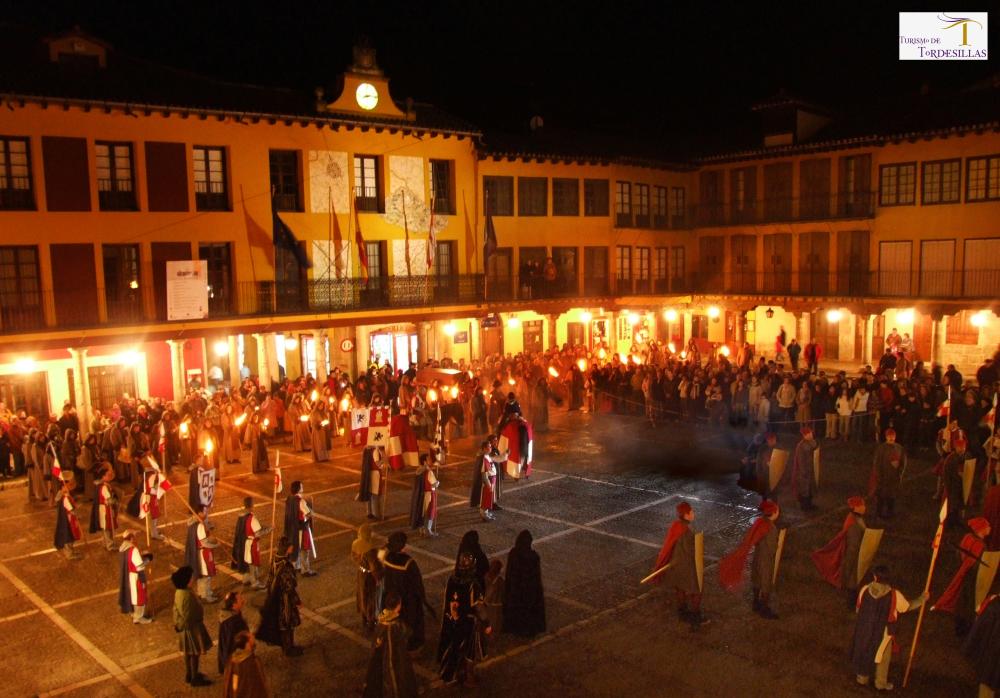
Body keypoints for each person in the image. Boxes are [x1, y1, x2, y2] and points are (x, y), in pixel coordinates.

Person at [850, 565, 927, 692]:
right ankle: (880, 683)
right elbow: (906, 607)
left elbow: (858, 608)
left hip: (865, 628)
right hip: (884, 632)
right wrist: (921, 599)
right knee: (883, 657)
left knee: (864, 650)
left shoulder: (864, 590)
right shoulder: (894, 595)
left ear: (875, 577)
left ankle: (862, 678)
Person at [719, 500, 782, 619]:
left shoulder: (760, 522)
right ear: (773, 513)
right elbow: (773, 547)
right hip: (766, 558)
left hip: (758, 556)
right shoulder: (771, 527)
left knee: (757, 579)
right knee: (766, 583)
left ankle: (755, 602)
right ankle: (764, 608)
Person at [650, 501, 707, 628]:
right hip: (686, 566)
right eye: (691, 512)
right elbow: (690, 551)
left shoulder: (676, 525)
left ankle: (682, 613)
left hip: (675, 565)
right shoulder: (687, 531)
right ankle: (695, 619)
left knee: (679, 588)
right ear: (686, 515)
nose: (693, 513)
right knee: (697, 590)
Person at [437, 552, 491, 687]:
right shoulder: (473, 585)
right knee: (469, 651)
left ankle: (450, 673)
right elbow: (479, 607)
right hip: (467, 623)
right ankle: (468, 678)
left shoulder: (451, 579)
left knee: (453, 646)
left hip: (451, 621)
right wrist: (486, 623)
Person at [933, 517, 992, 636]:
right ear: (981, 529)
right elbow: (976, 564)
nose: (990, 528)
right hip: (971, 578)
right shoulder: (980, 545)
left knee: (961, 601)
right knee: (967, 604)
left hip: (962, 573)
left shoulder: (968, 537)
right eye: (988, 526)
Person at [811, 496, 868, 606]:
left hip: (855, 557)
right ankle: (851, 605)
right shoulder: (855, 525)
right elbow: (853, 548)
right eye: (862, 505)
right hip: (854, 559)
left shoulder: (853, 518)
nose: (865, 507)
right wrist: (847, 568)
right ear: (856, 507)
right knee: (852, 584)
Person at [362, 590, 419, 698]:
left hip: (379, 660)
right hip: (396, 661)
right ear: (398, 605)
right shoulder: (395, 625)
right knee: (397, 681)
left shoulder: (381, 621)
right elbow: (406, 634)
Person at [256, 536, 304, 656]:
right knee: (287, 623)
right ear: (287, 548)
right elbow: (289, 587)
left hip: (276, 596)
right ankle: (289, 648)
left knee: (284, 623)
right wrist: (296, 600)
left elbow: (270, 578)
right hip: (284, 600)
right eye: (290, 546)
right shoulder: (285, 565)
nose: (292, 547)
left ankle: (288, 647)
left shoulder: (275, 559)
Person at [380, 531, 427, 652]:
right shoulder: (408, 562)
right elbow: (417, 582)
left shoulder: (388, 559)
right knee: (411, 621)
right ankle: (412, 645)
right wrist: (421, 596)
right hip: (408, 599)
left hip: (392, 598)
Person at [172, 565, 213, 687]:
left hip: (187, 627)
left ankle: (189, 674)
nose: (193, 579)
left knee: (188, 652)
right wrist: (181, 625)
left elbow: (175, 610)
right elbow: (187, 615)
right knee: (194, 653)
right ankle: (194, 677)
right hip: (191, 628)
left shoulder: (180, 592)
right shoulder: (186, 595)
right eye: (191, 577)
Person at [504, 530, 546, 637]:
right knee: (528, 611)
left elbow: (510, 571)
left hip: (516, 588)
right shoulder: (533, 556)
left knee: (517, 610)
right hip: (529, 590)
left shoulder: (514, 553)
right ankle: (528, 630)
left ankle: (516, 629)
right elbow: (536, 575)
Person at [963, 591, 1000, 698]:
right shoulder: (995, 605)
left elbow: (980, 629)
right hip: (992, 657)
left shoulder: (994, 605)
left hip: (991, 657)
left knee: (987, 683)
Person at [233, 497, 269, 590]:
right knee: (252, 562)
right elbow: (258, 533)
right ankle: (254, 582)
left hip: (243, 542)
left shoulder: (241, 517)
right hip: (251, 543)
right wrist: (269, 530)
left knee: (246, 560)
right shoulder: (251, 518)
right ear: (252, 505)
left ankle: (246, 579)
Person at [185, 507, 219, 603]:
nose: (206, 513)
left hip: (199, 552)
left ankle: (201, 593)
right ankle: (206, 595)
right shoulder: (199, 525)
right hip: (204, 553)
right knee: (206, 575)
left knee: (202, 574)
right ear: (199, 513)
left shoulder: (194, 524)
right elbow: (204, 542)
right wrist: (215, 544)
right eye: (204, 512)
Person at [351, 524, 382, 630]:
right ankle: (371, 620)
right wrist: (378, 578)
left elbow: (353, 557)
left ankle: (364, 618)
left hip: (361, 573)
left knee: (361, 594)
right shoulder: (372, 549)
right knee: (371, 598)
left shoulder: (355, 544)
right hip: (370, 576)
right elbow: (373, 566)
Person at [870, 428, 906, 519]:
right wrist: (879, 474)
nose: (891, 438)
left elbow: (903, 462)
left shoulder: (899, 448)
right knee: (881, 496)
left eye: (893, 436)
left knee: (892, 496)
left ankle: (890, 513)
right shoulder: (881, 448)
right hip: (883, 476)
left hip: (894, 477)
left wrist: (900, 473)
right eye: (889, 436)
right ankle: (879, 513)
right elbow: (877, 463)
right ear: (886, 437)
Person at [118, 529, 153, 624]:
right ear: (131, 538)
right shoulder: (133, 550)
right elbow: (140, 566)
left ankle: (134, 613)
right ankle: (138, 617)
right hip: (136, 577)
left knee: (133, 596)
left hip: (128, 576)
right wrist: (147, 560)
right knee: (139, 596)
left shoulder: (122, 549)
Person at [222, 631, 270, 698]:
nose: (254, 639)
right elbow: (258, 687)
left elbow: (231, 685)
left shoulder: (231, 661)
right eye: (251, 638)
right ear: (247, 644)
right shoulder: (252, 663)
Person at [283, 481, 317, 576]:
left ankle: (295, 566)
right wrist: (311, 511)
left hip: (292, 528)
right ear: (298, 489)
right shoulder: (301, 501)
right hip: (302, 527)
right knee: (304, 548)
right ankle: (305, 570)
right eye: (301, 486)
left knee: (295, 547)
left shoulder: (289, 499)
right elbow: (308, 513)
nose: (303, 487)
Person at [218, 591, 250, 674]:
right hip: (236, 661)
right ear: (234, 604)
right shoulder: (235, 621)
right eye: (240, 599)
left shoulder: (225, 616)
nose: (243, 600)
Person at [408, 452, 440, 537]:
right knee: (430, 512)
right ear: (425, 461)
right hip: (430, 494)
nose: (430, 460)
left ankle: (421, 529)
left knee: (422, 512)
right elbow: (434, 484)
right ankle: (428, 530)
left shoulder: (419, 471)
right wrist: (438, 483)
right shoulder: (429, 472)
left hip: (422, 494)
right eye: (428, 459)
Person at [54, 471, 82, 560]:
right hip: (67, 521)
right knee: (68, 536)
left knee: (71, 536)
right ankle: (69, 554)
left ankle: (71, 551)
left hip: (69, 519)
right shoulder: (65, 498)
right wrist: (76, 513)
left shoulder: (66, 496)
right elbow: (71, 509)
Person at [89, 465, 119, 551]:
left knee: (106, 528)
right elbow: (109, 500)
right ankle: (110, 545)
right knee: (107, 528)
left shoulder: (102, 485)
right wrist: (115, 501)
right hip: (106, 510)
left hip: (104, 509)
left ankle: (105, 543)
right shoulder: (104, 487)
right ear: (103, 476)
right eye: (107, 475)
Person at [791, 425, 819, 511]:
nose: (810, 435)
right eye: (808, 434)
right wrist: (803, 471)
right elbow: (800, 460)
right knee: (804, 489)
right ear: (804, 435)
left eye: (810, 433)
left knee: (809, 488)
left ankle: (809, 504)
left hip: (810, 469)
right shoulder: (801, 446)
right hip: (804, 471)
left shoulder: (812, 442)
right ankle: (805, 506)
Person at [470, 440, 498, 521]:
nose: (491, 448)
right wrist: (489, 484)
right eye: (489, 447)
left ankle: (486, 512)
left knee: (489, 498)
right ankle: (484, 514)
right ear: (484, 449)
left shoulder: (488, 456)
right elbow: (484, 474)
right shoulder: (484, 459)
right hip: (488, 481)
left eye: (490, 446)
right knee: (485, 499)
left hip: (492, 480)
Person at [358, 446, 388, 521]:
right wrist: (384, 458)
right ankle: (376, 514)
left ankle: (369, 512)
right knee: (375, 495)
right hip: (375, 474)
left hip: (369, 473)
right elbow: (377, 463)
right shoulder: (375, 451)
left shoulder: (367, 449)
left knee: (370, 493)